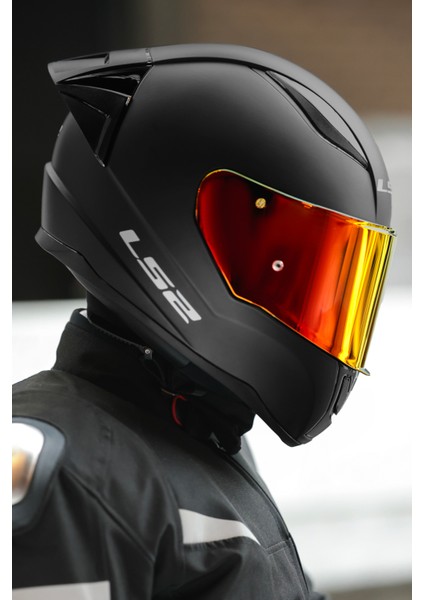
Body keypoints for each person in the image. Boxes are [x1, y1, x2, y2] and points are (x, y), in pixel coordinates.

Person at [12, 44, 395, 599]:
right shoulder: (64, 472)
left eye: (332, 277)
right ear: (169, 232)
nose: (316, 305)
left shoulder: (203, 436)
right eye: (282, 266)